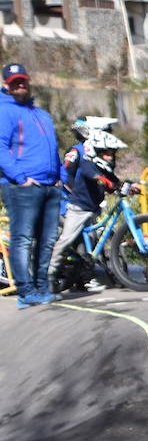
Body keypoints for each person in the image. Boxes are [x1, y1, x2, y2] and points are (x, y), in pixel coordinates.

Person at [0, 63, 63, 309]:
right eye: (14, 82)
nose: (20, 85)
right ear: (7, 85)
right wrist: (21, 177)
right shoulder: (4, 111)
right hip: (23, 187)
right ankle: (26, 291)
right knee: (23, 239)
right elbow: (1, 148)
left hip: (49, 186)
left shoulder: (41, 114)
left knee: (47, 240)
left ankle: (41, 287)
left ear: (28, 81)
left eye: (22, 80)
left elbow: (53, 148)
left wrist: (60, 177)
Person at [48, 117, 127, 289]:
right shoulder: (78, 151)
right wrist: (75, 193)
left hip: (91, 203)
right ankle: (51, 274)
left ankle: (87, 277)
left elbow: (109, 176)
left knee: (92, 240)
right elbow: (66, 175)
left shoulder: (102, 153)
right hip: (72, 203)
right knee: (72, 239)